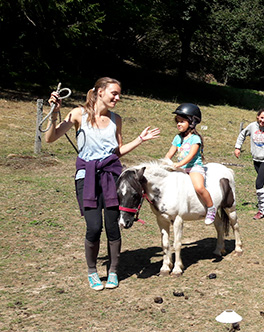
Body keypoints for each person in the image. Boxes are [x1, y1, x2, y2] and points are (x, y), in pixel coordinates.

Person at [44, 77, 160, 291]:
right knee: (94, 226)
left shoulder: (117, 119)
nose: (117, 97)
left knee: (113, 226)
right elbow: (50, 138)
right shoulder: (78, 114)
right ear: (99, 92)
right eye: (114, 93)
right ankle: (92, 272)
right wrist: (53, 114)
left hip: (112, 177)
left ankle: (113, 271)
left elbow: (118, 151)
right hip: (86, 177)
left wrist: (140, 140)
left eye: (119, 94)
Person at [164, 103, 216, 224]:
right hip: (180, 168)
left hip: (193, 167)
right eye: (178, 121)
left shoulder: (195, 139)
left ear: (192, 122)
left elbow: (191, 155)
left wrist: (178, 164)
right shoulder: (177, 138)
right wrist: (165, 162)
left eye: (182, 121)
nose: (179, 124)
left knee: (199, 187)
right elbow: (170, 153)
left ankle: (211, 208)